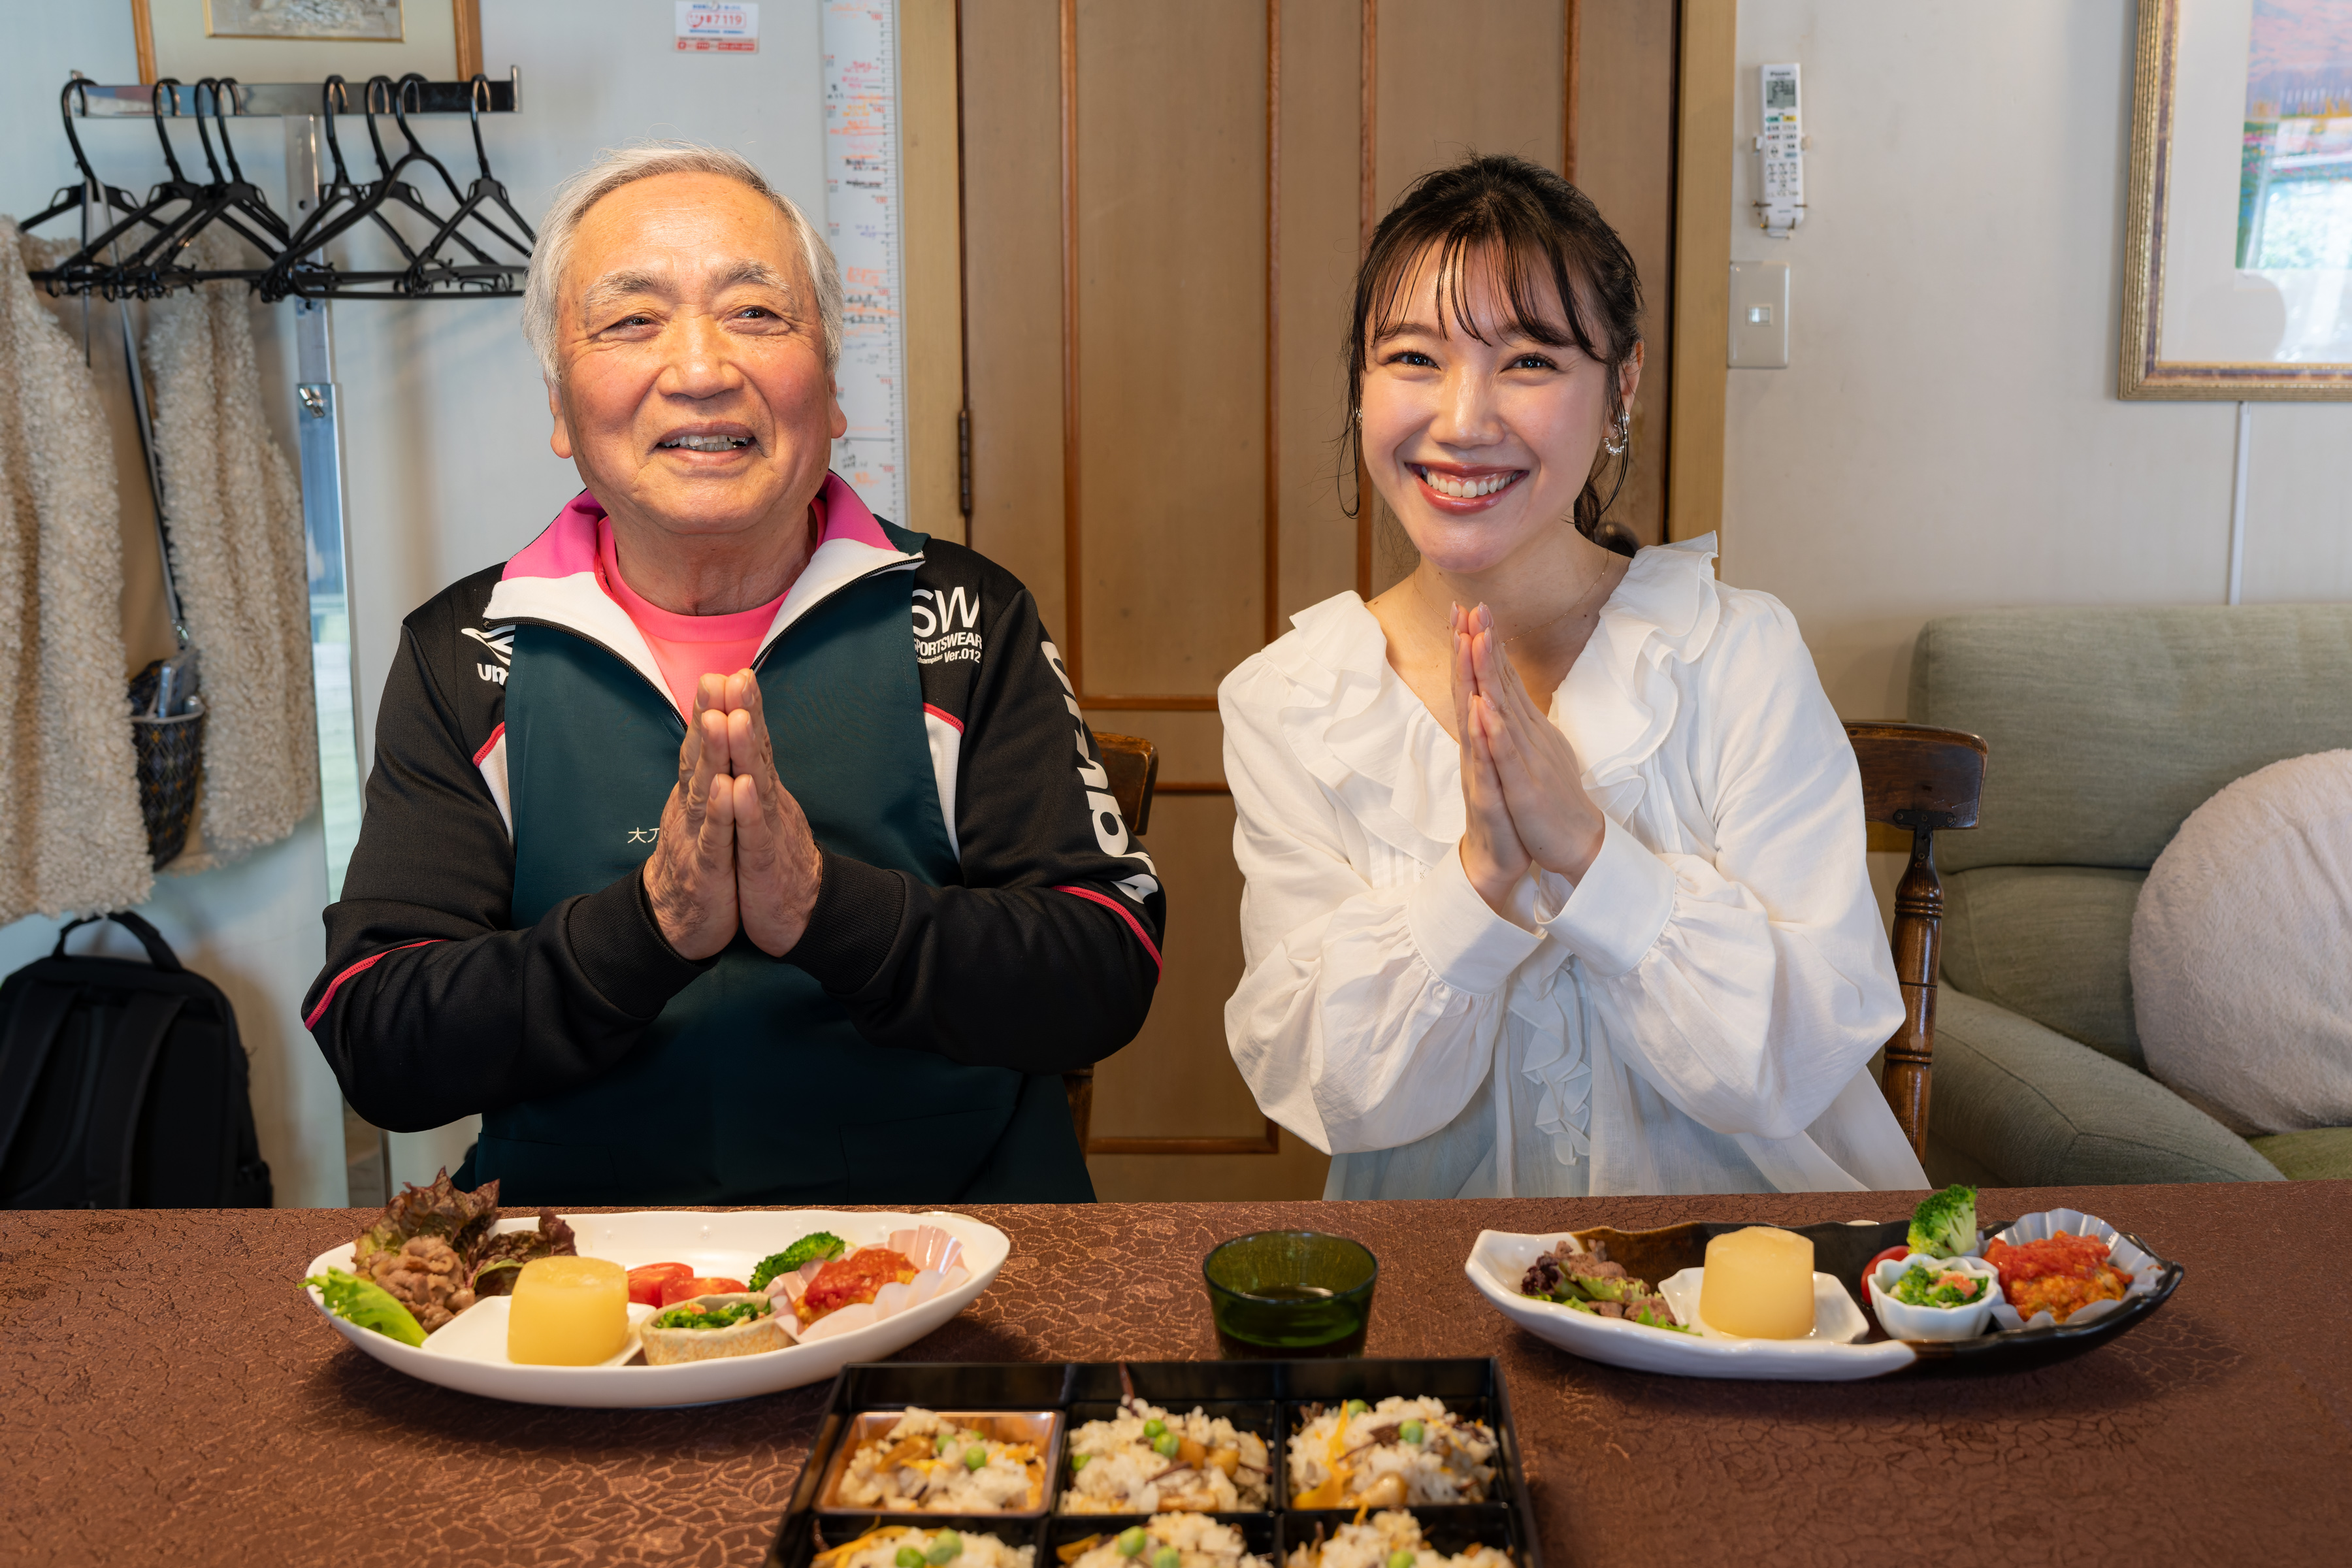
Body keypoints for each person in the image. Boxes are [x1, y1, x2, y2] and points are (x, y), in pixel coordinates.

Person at [304, 145, 1164, 1205]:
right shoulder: (469, 651)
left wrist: (824, 909)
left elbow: (1106, 964)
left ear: (833, 390)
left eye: (757, 314)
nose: (703, 366)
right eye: (631, 321)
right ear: (564, 408)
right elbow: (379, 1032)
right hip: (586, 1290)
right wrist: (652, 925)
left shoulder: (965, 618)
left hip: (955, 1258)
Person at [1219, 155, 1923, 1198]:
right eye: (1413, 357)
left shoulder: (1734, 655)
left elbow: (1805, 1052)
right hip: (1444, 1294)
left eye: (1531, 362)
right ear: (1362, 384)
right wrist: (1477, 882)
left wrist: (1592, 853)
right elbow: (1337, 1097)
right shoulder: (1289, 702)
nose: (1461, 420)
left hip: (1752, 1291)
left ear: (1621, 385)